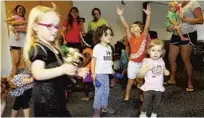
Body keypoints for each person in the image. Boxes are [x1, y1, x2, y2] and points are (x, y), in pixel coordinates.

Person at [23, 3, 88, 117]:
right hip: (46, 99)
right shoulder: (38, 48)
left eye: (56, 26)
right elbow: (38, 74)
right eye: (49, 26)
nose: (54, 30)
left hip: (55, 95)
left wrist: (75, 72)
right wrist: (63, 69)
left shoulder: (51, 46)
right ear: (35, 27)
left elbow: (54, 68)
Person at [117, 4, 151, 101]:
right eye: (132, 26)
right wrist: (121, 15)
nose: (132, 27)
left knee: (141, 81)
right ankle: (127, 95)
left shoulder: (143, 36)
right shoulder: (130, 38)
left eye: (134, 26)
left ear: (140, 29)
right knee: (130, 81)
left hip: (142, 64)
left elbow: (147, 26)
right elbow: (126, 26)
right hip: (132, 64)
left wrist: (148, 15)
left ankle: (141, 96)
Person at [167, 0, 203, 92]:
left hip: (188, 34)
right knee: (171, 58)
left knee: (185, 59)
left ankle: (189, 82)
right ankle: (172, 79)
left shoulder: (194, 3)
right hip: (176, 34)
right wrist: (170, 27)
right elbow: (172, 19)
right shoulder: (178, 5)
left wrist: (185, 19)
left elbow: (200, 20)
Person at [138, 39, 170, 118]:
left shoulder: (161, 61)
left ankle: (154, 114)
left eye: (158, 51)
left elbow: (164, 69)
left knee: (157, 103)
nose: (156, 53)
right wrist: (147, 69)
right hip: (148, 88)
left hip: (158, 88)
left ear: (162, 52)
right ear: (148, 51)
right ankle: (143, 114)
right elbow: (140, 75)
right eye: (153, 50)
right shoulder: (146, 61)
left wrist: (166, 71)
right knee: (146, 103)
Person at [91, 25, 115, 117]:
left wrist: (111, 69)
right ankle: (97, 109)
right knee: (99, 93)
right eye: (106, 35)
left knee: (106, 91)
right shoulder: (97, 47)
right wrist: (93, 74)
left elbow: (109, 61)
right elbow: (93, 61)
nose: (109, 36)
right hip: (98, 75)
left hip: (106, 75)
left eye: (110, 34)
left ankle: (104, 107)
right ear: (99, 36)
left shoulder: (109, 48)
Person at [6, 5, 27, 81]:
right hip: (16, 42)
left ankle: (26, 77)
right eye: (20, 9)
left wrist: (18, 29)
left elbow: (26, 30)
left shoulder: (23, 19)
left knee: (26, 60)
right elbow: (12, 25)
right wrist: (20, 28)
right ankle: (13, 78)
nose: (22, 11)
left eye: (23, 10)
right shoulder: (14, 18)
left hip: (24, 41)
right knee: (16, 60)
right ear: (16, 10)